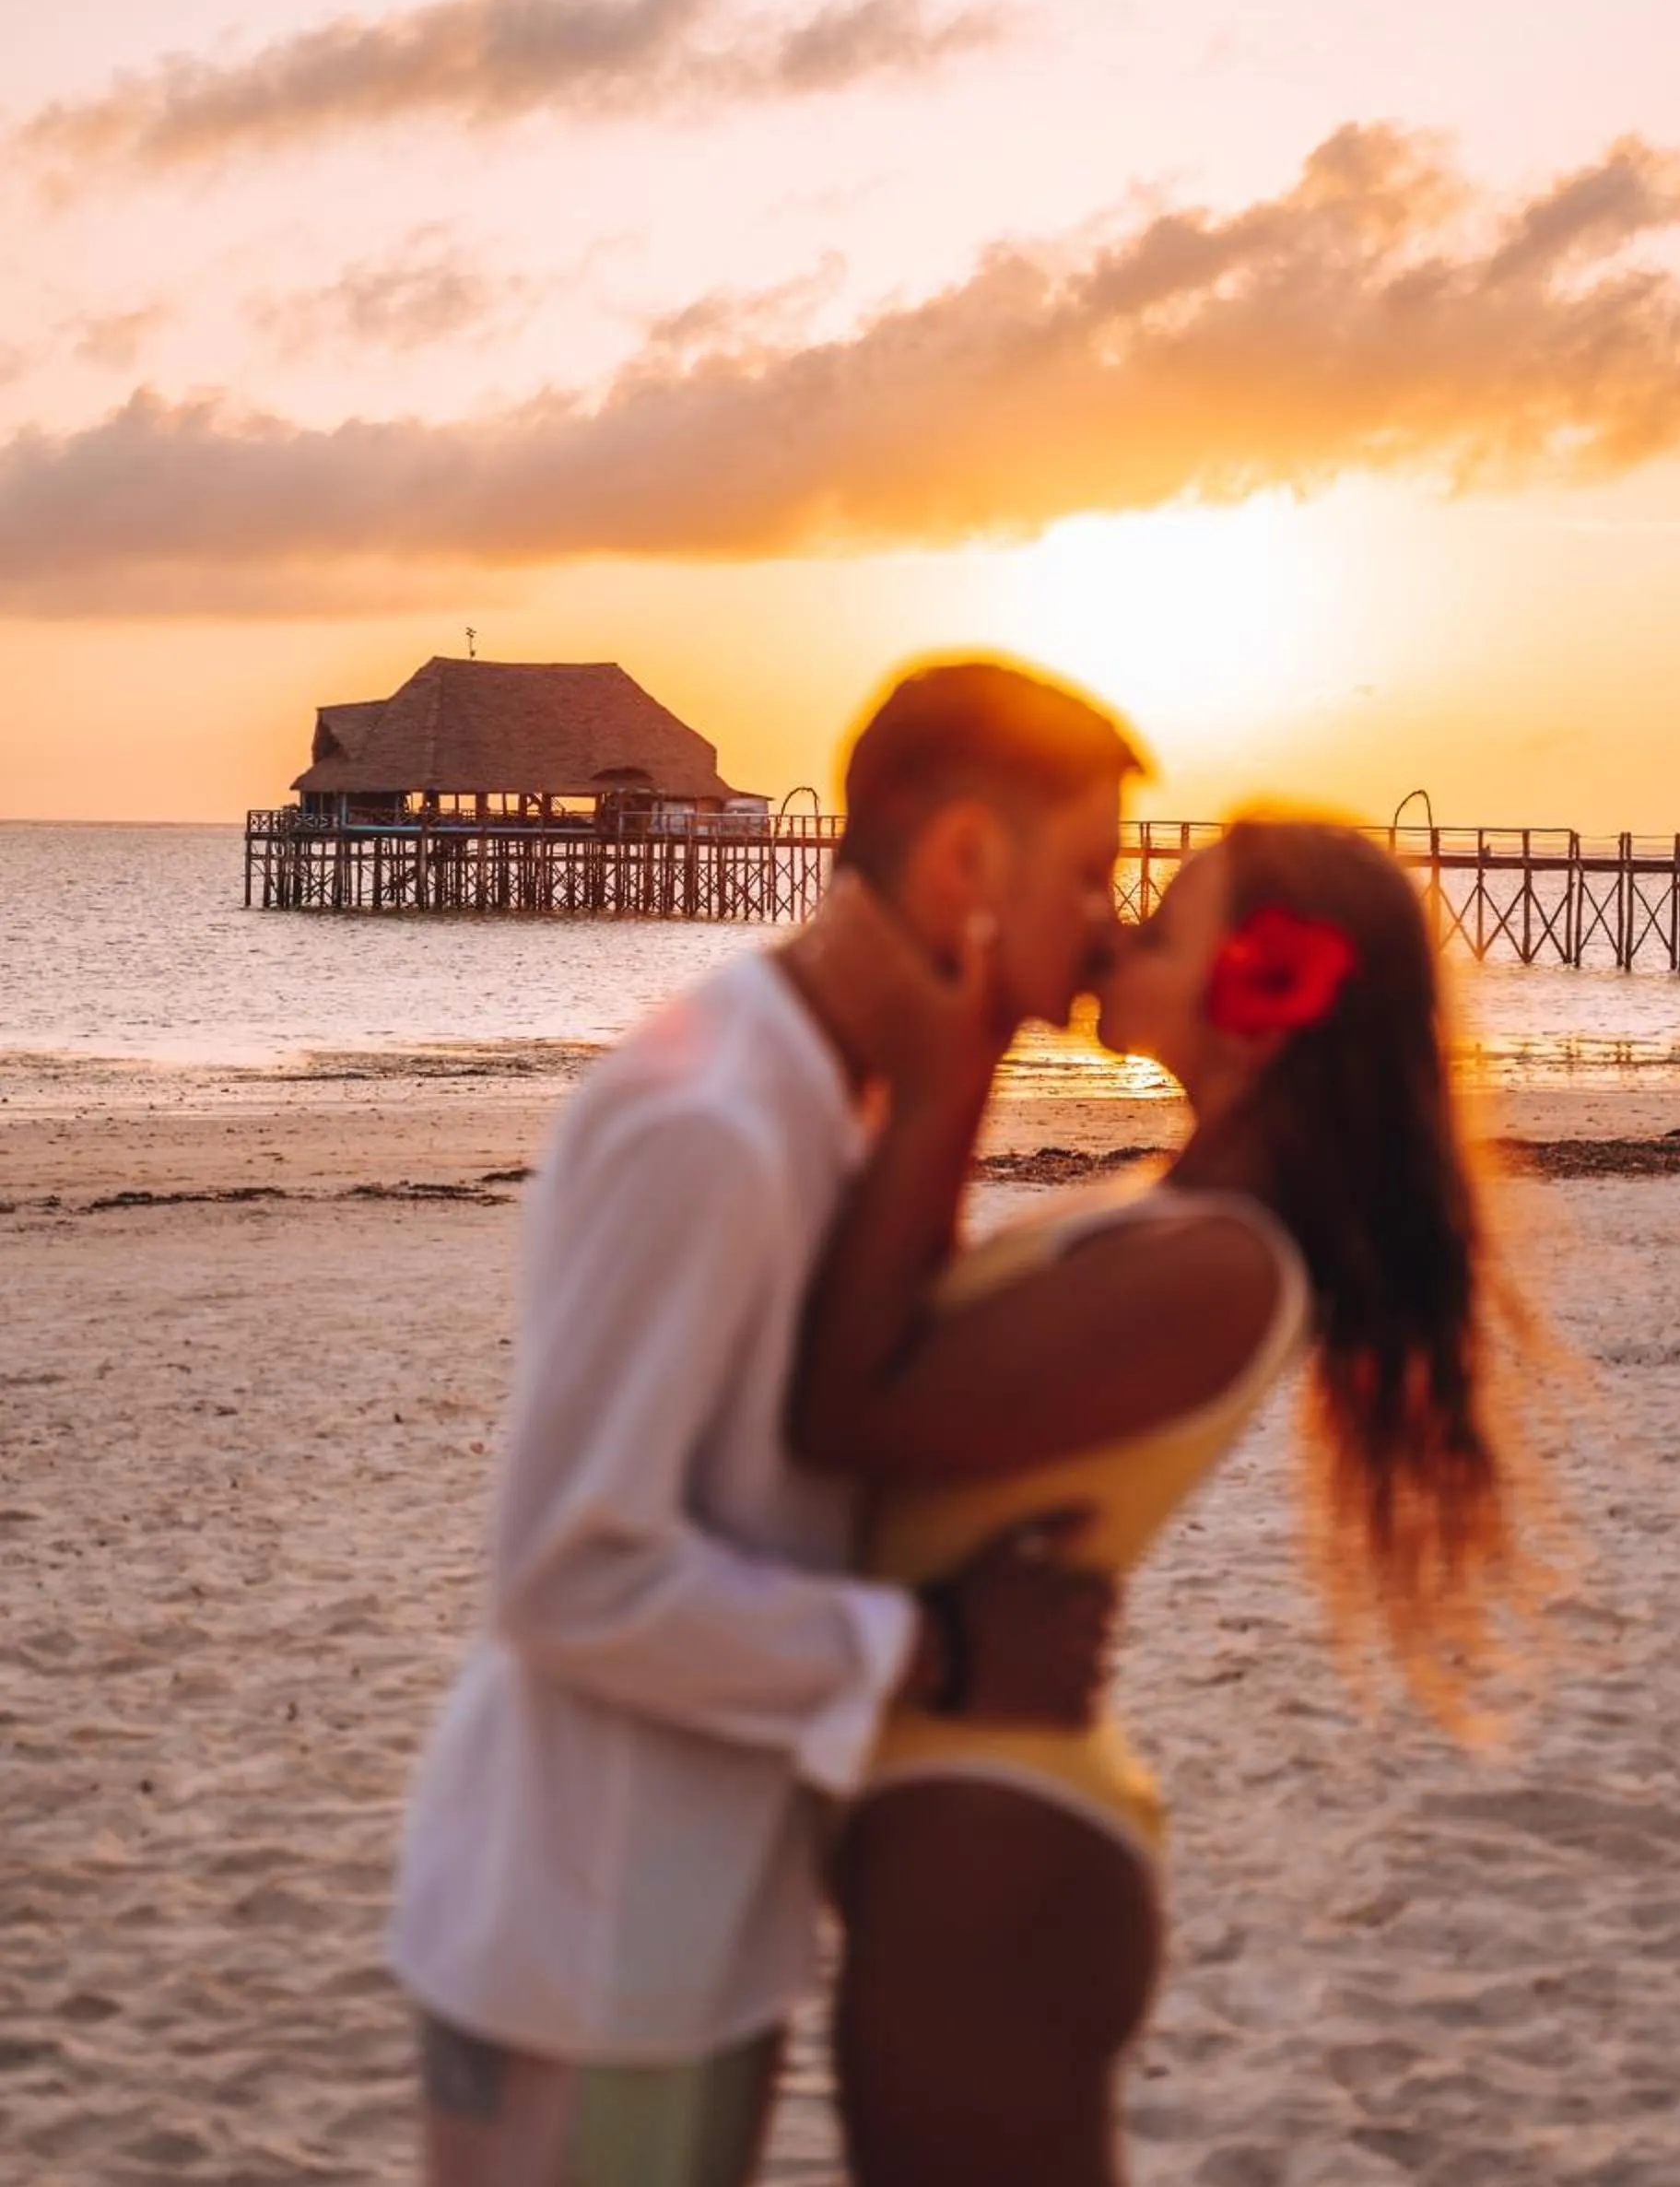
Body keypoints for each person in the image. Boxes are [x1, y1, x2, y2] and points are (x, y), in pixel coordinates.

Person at [387, 659, 1146, 2187]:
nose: (1108, 930)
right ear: (963, 861)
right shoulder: (714, 1127)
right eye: (1086, 874)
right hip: (591, 1947)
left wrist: (958, 1082)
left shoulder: (830, 1097)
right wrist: (934, 1651)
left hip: (687, 1923)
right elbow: (568, 1575)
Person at [788, 814, 1561, 2187]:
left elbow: (847, 1410)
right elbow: (906, 1349)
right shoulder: (1170, 1210)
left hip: (997, 1836)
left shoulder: (1222, 1265)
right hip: (966, 1811)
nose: (1110, 932)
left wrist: (955, 1058)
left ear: (1259, 1006)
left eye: (1157, 927)